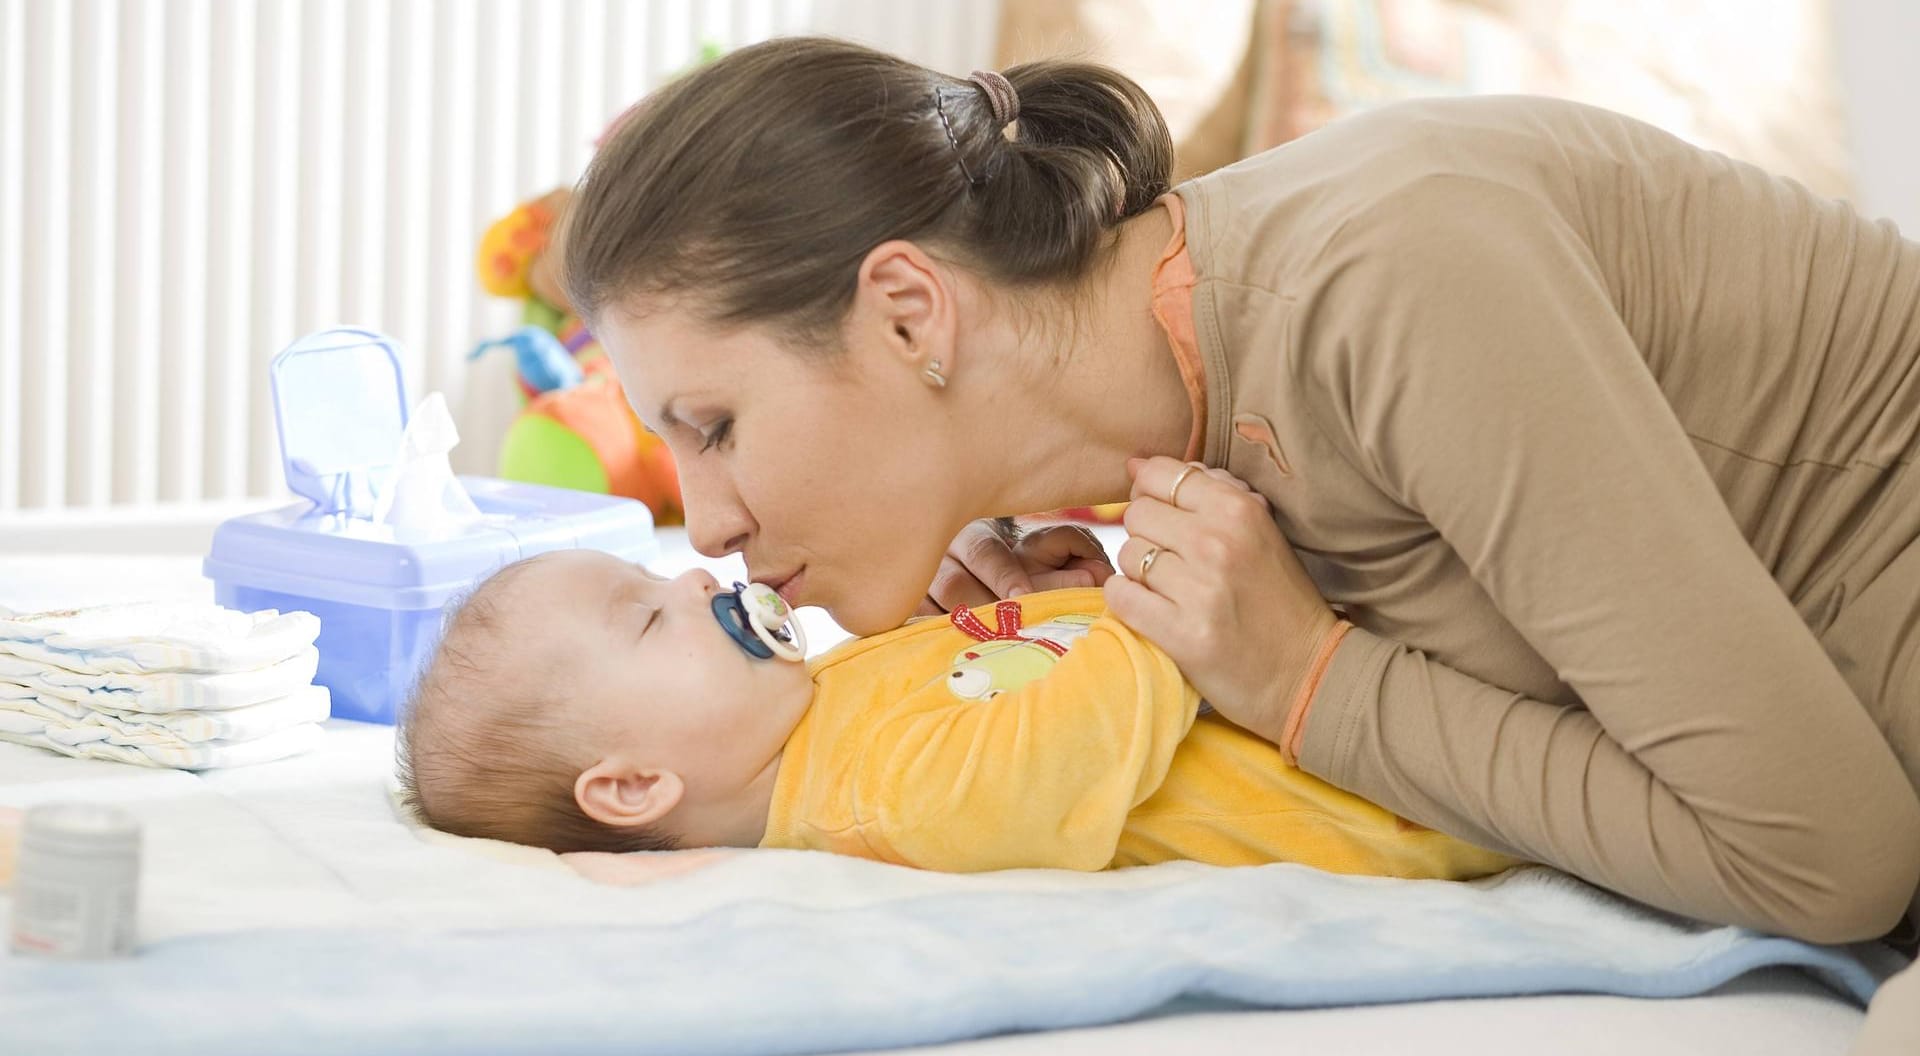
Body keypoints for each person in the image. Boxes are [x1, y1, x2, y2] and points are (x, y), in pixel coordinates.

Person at [555, 37, 1920, 950]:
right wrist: (1191, 657)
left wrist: (1308, 679)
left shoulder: (1392, 282)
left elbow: (1828, 862)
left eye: (715, 427)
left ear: (911, 315)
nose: (711, 524)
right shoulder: (1181, 442)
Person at [397, 548, 1521, 885]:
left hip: (1335, 680)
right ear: (635, 787)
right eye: (648, 622)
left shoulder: (820, 698)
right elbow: (1070, 742)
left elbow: (1016, 666)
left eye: (660, 578)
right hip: (1398, 783)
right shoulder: (875, 803)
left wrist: (1060, 591)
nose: (695, 582)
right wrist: (1164, 605)